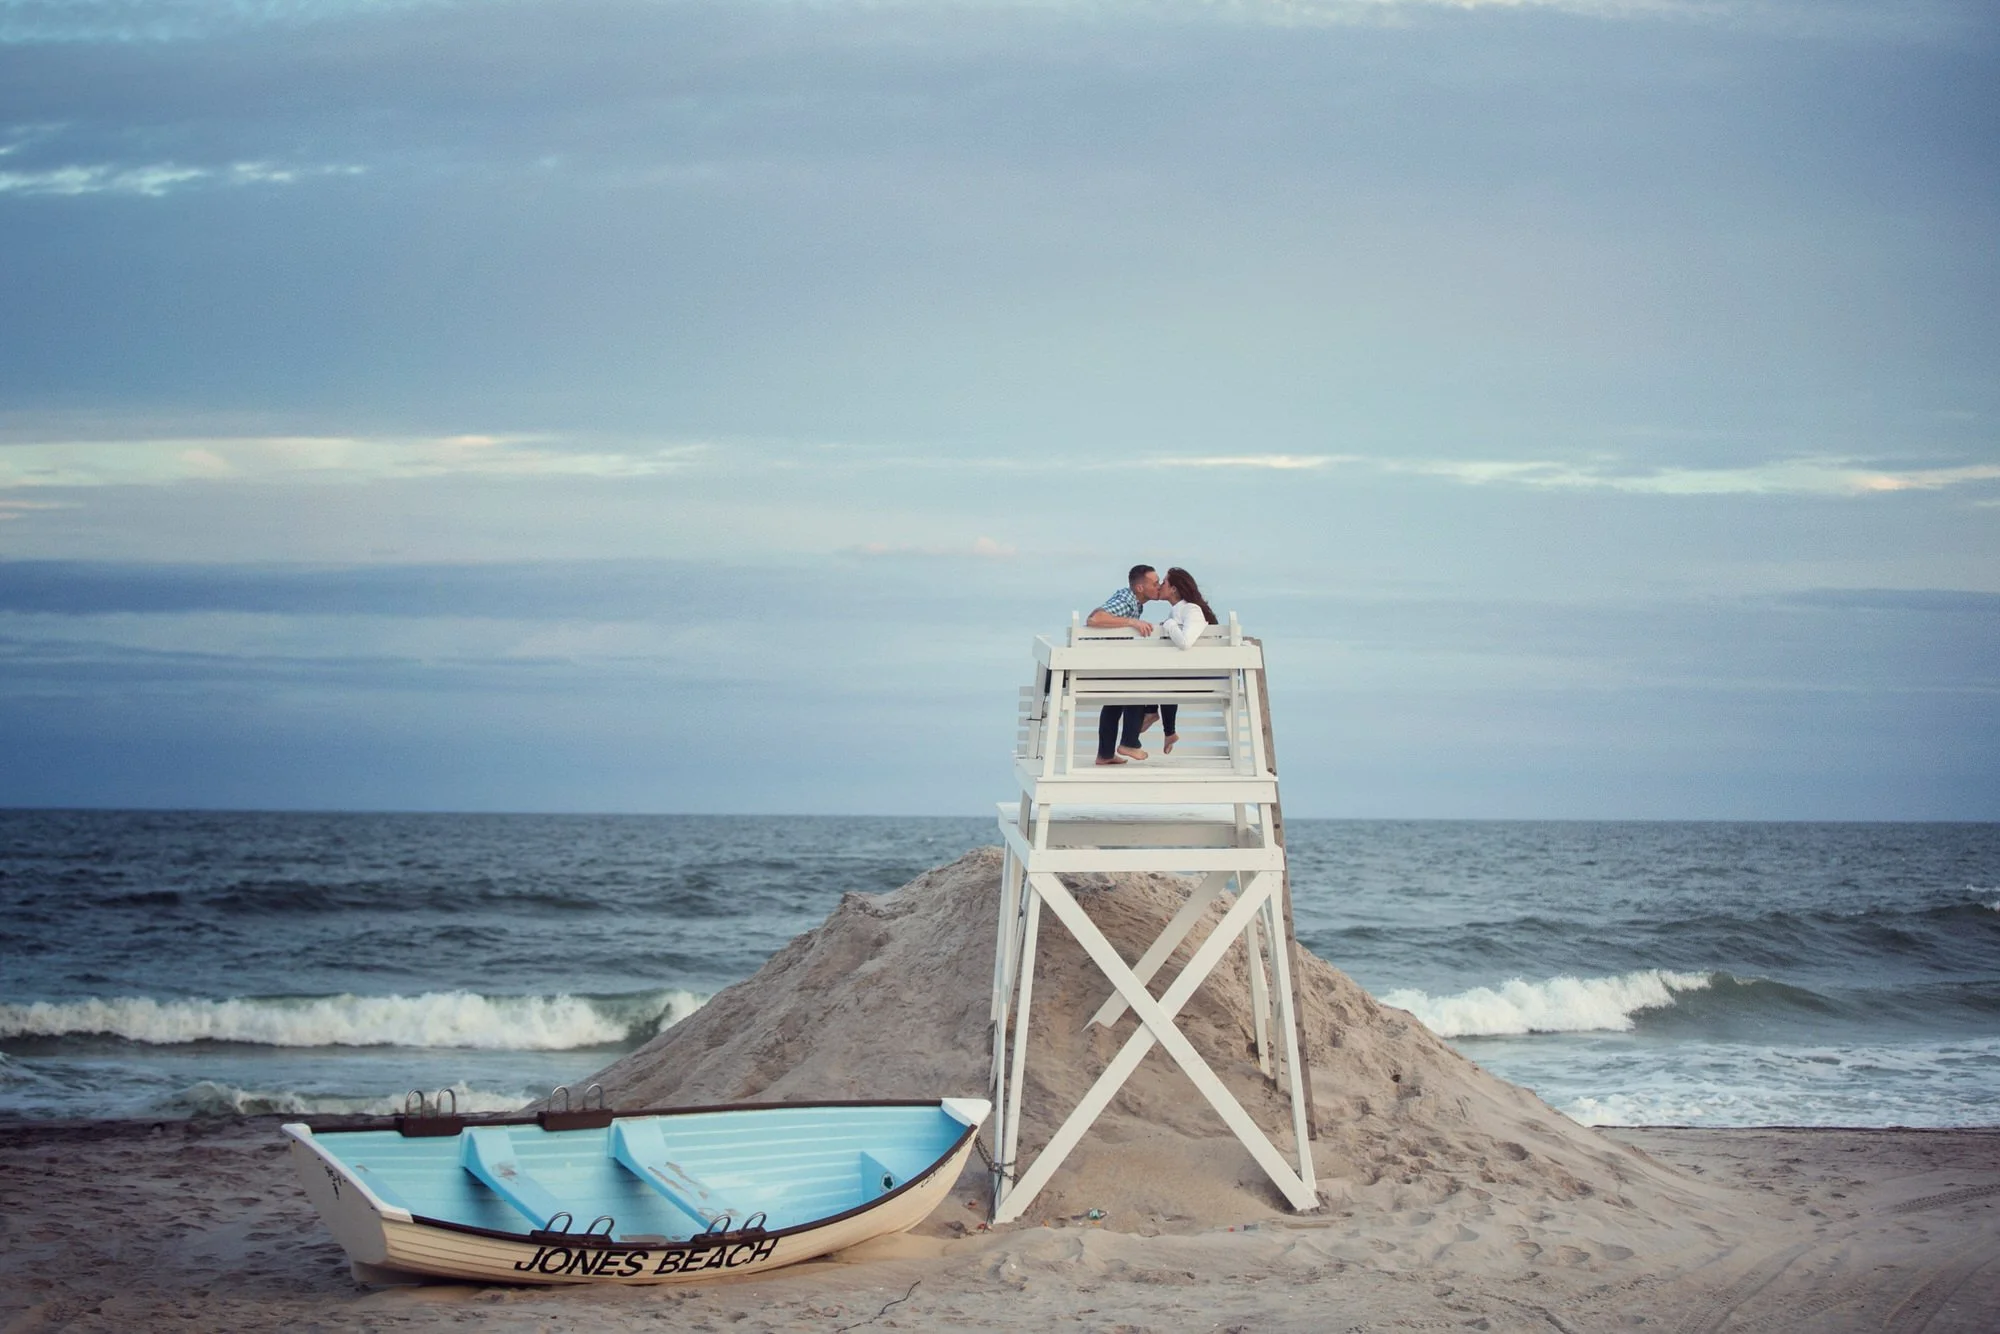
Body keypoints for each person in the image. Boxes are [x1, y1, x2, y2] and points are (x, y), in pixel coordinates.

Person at [1087, 565, 1161, 764]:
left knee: (1115, 701)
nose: (1159, 586)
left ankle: (1105, 754)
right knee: (1136, 683)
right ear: (1139, 588)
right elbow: (1094, 618)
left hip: (1100, 661)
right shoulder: (1127, 600)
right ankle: (1129, 742)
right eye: (1155, 583)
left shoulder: (1135, 603)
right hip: (1095, 663)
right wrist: (1133, 623)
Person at [1154, 567, 1218, 754]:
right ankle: (1166, 729)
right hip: (1186, 671)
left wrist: (1169, 625)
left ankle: (1152, 717)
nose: (1160, 585)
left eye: (1164, 582)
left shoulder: (1192, 610)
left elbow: (1185, 642)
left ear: (1174, 588)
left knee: (1156, 678)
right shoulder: (1176, 612)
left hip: (1203, 675)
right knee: (1155, 677)